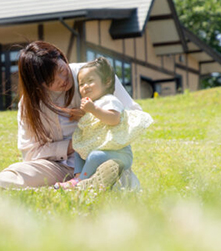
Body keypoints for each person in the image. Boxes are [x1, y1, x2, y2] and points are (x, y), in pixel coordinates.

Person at [0, 41, 143, 190]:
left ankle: (79, 187)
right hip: (59, 164)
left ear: (63, 58)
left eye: (62, 71)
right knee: (23, 171)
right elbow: (30, 152)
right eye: (51, 80)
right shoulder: (30, 105)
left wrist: (96, 119)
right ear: (38, 84)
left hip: (101, 157)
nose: (62, 80)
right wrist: (69, 146)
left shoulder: (92, 75)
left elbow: (134, 115)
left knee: (111, 177)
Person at [54, 57, 153, 190]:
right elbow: (95, 121)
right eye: (82, 84)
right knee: (79, 149)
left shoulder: (110, 100)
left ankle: (80, 182)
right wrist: (82, 114)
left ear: (106, 82)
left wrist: (93, 110)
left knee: (95, 156)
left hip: (120, 154)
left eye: (90, 81)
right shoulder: (94, 104)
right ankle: (79, 176)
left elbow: (113, 119)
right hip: (104, 149)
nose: (85, 86)